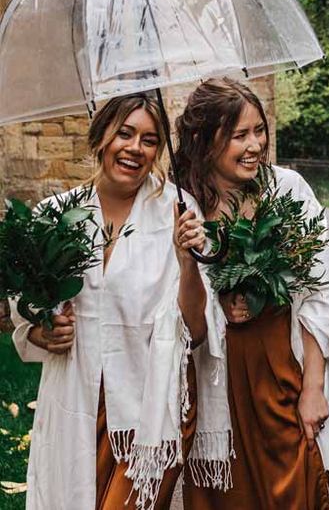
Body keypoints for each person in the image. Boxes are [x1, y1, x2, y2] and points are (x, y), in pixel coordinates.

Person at [11, 93, 232, 510]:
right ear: (100, 138)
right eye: (125, 134)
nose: (135, 148)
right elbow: (27, 319)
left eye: (149, 140)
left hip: (150, 405)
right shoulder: (55, 215)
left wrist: (187, 263)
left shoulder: (178, 212)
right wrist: (43, 332)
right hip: (78, 402)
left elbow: (198, 332)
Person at [176, 78, 329, 510]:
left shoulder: (287, 190)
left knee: (296, 488)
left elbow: (323, 290)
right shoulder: (183, 206)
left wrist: (313, 387)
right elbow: (185, 324)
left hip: (284, 367)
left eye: (259, 131)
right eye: (239, 135)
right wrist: (200, 276)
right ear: (205, 141)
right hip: (221, 377)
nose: (255, 145)